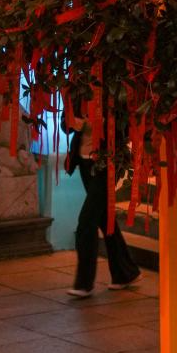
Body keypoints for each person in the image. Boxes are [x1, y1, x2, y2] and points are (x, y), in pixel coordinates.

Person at [63, 110, 142, 298]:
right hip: (84, 162)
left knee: (86, 222)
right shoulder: (78, 90)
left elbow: (125, 126)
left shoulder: (113, 93)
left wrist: (102, 122)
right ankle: (126, 272)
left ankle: (84, 283)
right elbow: (64, 126)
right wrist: (74, 123)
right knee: (104, 218)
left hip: (106, 163)